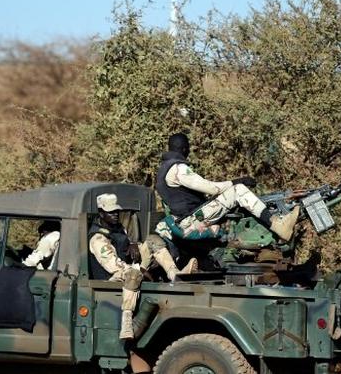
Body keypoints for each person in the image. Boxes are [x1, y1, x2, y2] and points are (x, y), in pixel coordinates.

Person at [88, 193, 196, 340]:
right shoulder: (97, 238)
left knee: (153, 240)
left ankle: (175, 275)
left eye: (117, 211)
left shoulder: (118, 228)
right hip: (112, 278)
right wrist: (140, 270)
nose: (115, 215)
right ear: (101, 213)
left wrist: (134, 244)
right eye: (110, 212)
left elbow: (125, 248)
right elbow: (114, 266)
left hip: (130, 268)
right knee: (133, 274)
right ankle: (126, 322)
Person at [155, 133, 299, 242]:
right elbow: (212, 189)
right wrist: (237, 181)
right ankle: (278, 225)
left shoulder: (163, 170)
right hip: (192, 219)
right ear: (185, 149)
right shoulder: (178, 169)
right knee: (238, 190)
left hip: (184, 218)